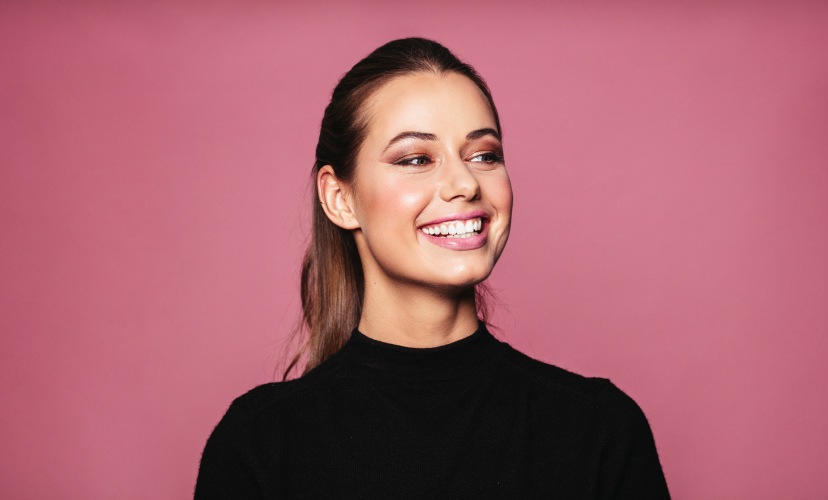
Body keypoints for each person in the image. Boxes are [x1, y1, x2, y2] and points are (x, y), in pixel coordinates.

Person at [195, 37, 669, 499]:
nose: (464, 182)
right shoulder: (258, 444)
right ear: (339, 199)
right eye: (416, 158)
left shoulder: (597, 430)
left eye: (484, 155)